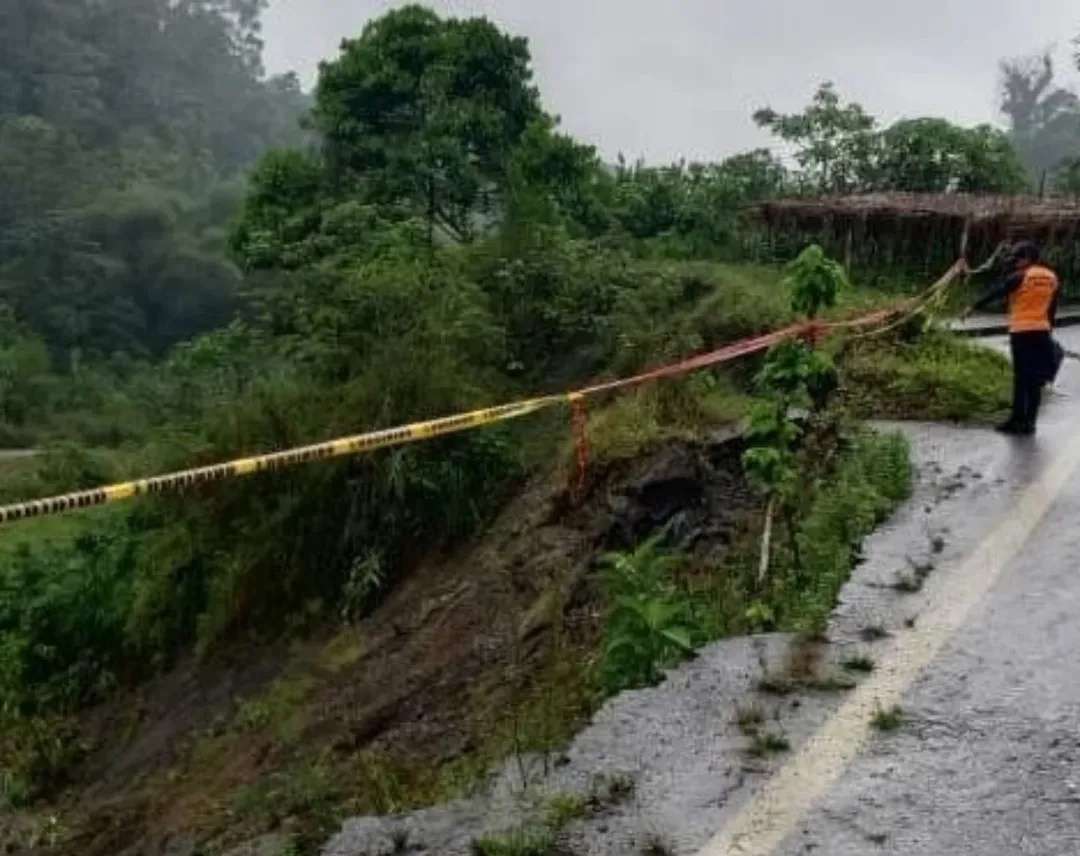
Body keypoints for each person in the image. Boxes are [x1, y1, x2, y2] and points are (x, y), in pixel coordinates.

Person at [971, 240, 1060, 435]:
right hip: (1042, 331)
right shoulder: (1051, 277)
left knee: (1021, 377)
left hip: (1021, 332)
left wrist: (973, 307)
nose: (1015, 262)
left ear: (1027, 258)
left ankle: (1016, 420)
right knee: (1035, 379)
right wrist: (1048, 331)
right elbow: (1052, 309)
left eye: (1017, 258)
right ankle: (1030, 423)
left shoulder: (1020, 276)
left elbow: (997, 292)